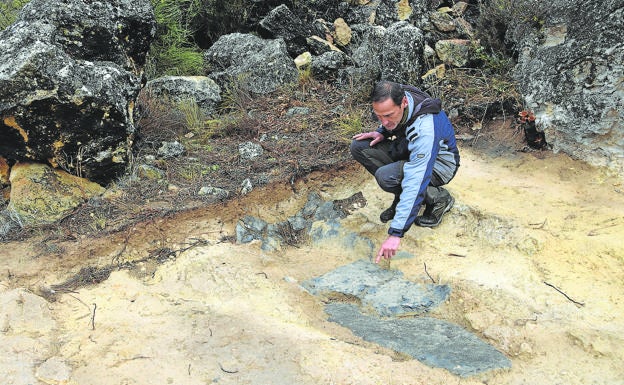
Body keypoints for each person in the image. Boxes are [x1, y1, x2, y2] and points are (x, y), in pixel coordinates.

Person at [351, 80, 460, 264]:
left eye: (388, 115)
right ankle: (401, 198)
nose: (384, 121)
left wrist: (396, 233)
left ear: (404, 103)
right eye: (379, 116)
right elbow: (395, 122)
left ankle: (439, 198)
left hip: (439, 166)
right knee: (360, 146)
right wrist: (382, 132)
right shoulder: (402, 95)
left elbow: (416, 178)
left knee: (386, 177)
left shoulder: (425, 128)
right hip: (410, 150)